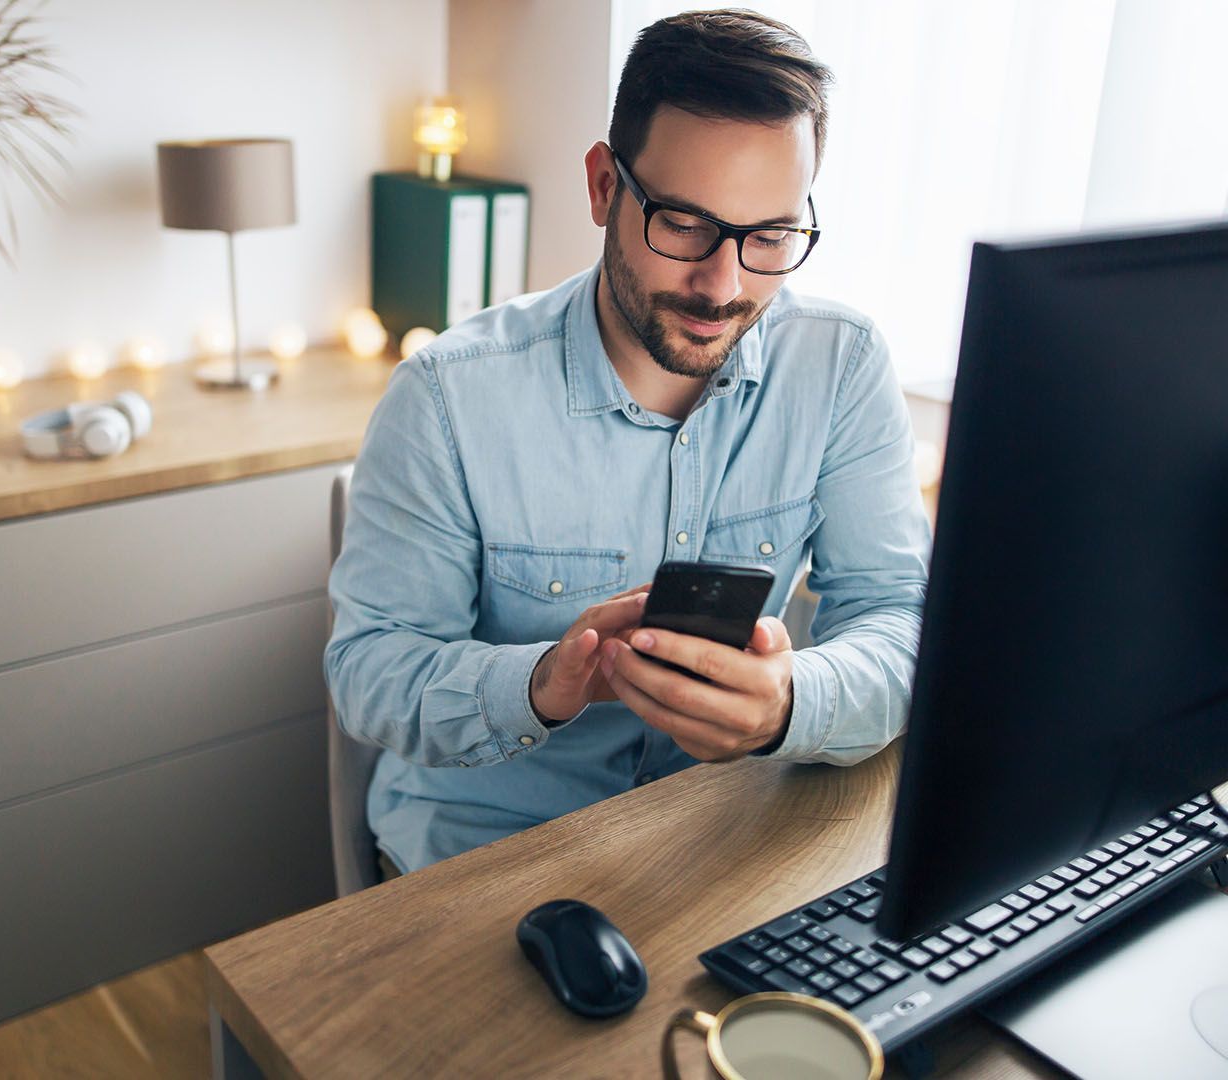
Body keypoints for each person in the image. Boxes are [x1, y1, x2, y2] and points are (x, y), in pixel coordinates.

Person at [326, 9, 932, 875]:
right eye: (684, 224)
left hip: (725, 841)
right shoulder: (446, 397)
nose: (722, 285)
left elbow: (900, 616)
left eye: (769, 237)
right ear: (605, 186)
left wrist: (791, 702)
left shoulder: (842, 365)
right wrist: (541, 684)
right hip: (489, 857)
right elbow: (369, 673)